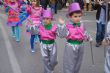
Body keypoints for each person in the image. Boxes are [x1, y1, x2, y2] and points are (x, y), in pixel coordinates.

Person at [58, 2, 92, 73]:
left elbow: (85, 33)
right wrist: (62, 25)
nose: (78, 18)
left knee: (78, 62)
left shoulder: (82, 24)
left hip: (81, 45)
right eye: (75, 16)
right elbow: (62, 35)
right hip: (71, 46)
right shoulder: (67, 26)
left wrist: (88, 38)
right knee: (69, 63)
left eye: (79, 16)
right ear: (70, 17)